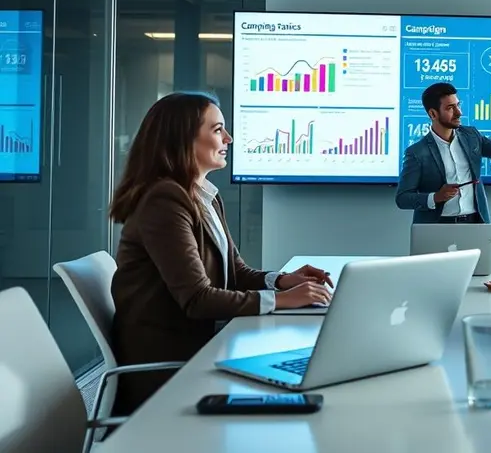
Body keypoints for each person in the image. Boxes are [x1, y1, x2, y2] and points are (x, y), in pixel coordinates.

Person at [108, 92, 333, 414]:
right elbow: (198, 299)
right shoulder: (164, 200)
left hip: (205, 341)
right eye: (217, 130)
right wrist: (282, 300)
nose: (228, 138)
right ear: (183, 138)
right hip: (174, 361)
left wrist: (282, 281)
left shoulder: (203, 196)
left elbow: (234, 272)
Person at [396, 82, 491, 224]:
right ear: (433, 114)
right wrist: (435, 197)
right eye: (450, 108)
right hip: (437, 226)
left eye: (458, 105)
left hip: (475, 223)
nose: (459, 112)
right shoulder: (417, 152)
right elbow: (402, 198)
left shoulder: (472, 136)